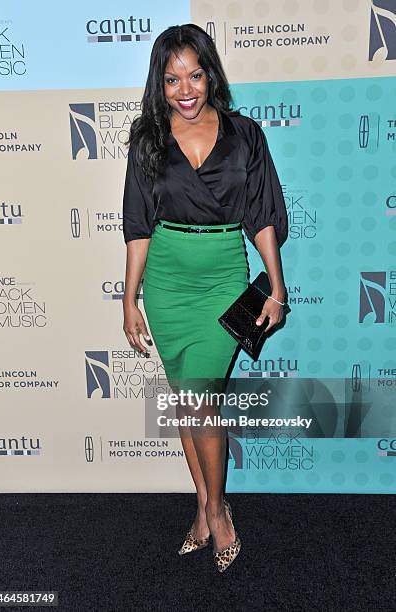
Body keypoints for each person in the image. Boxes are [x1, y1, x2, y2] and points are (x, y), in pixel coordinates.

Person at [122, 24, 288, 573]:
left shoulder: (244, 134)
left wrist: (277, 285)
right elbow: (138, 224)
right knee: (187, 405)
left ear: (210, 73)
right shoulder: (148, 139)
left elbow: (262, 213)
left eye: (194, 74)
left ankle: (217, 513)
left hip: (221, 278)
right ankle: (203, 505)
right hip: (166, 284)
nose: (185, 89)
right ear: (160, 83)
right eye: (172, 79)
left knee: (200, 400)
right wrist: (130, 299)